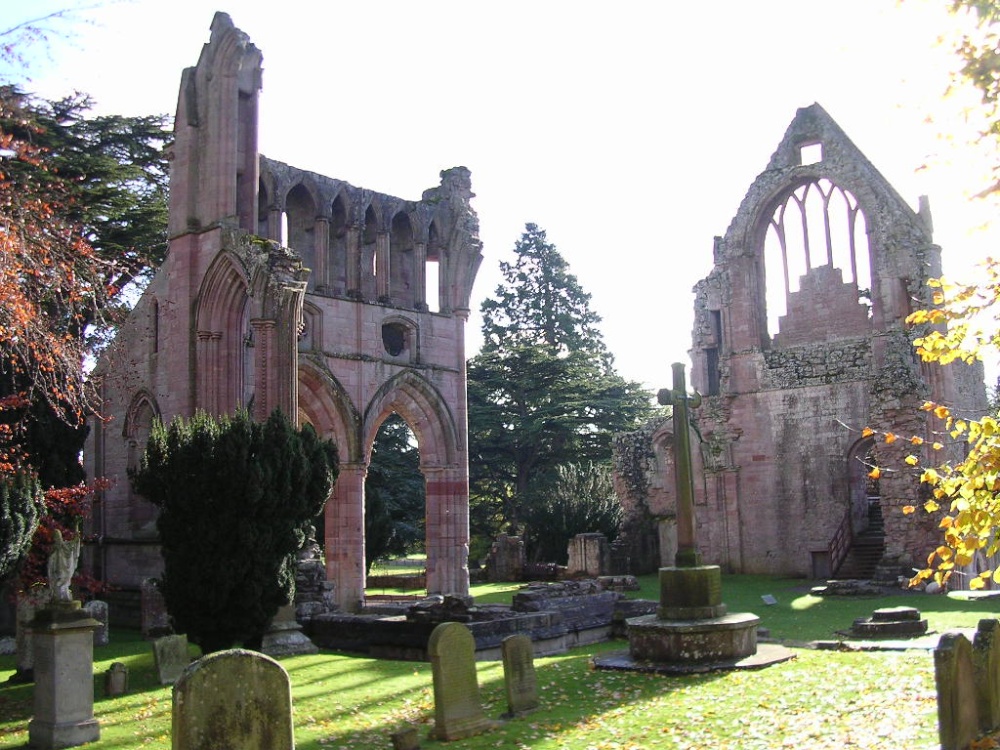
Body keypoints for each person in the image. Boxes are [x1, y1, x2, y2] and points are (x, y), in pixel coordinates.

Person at [48, 526, 81, 603]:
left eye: (58, 536)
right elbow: (51, 560)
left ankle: (64, 595)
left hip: (64, 569)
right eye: (55, 537)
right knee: (57, 582)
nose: (57, 538)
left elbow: (73, 545)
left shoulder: (65, 545)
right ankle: (58, 596)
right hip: (56, 569)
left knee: (64, 581)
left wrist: (76, 537)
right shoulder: (54, 549)